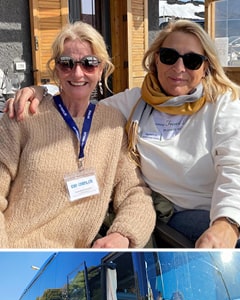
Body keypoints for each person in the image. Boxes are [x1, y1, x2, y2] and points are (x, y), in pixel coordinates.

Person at [6, 20, 240, 249]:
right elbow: (77, 99)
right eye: (169, 56)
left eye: (192, 60)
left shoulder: (221, 103)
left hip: (229, 203)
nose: (179, 68)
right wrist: (39, 93)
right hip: (179, 211)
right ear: (155, 59)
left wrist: (227, 222)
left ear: (206, 68)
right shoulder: (133, 103)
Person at [0, 22, 155, 247]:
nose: (78, 72)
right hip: (17, 252)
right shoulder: (24, 115)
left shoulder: (112, 123)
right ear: (56, 69)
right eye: (67, 64)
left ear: (102, 69)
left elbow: (134, 191)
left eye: (90, 63)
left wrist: (123, 234)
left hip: (74, 259)